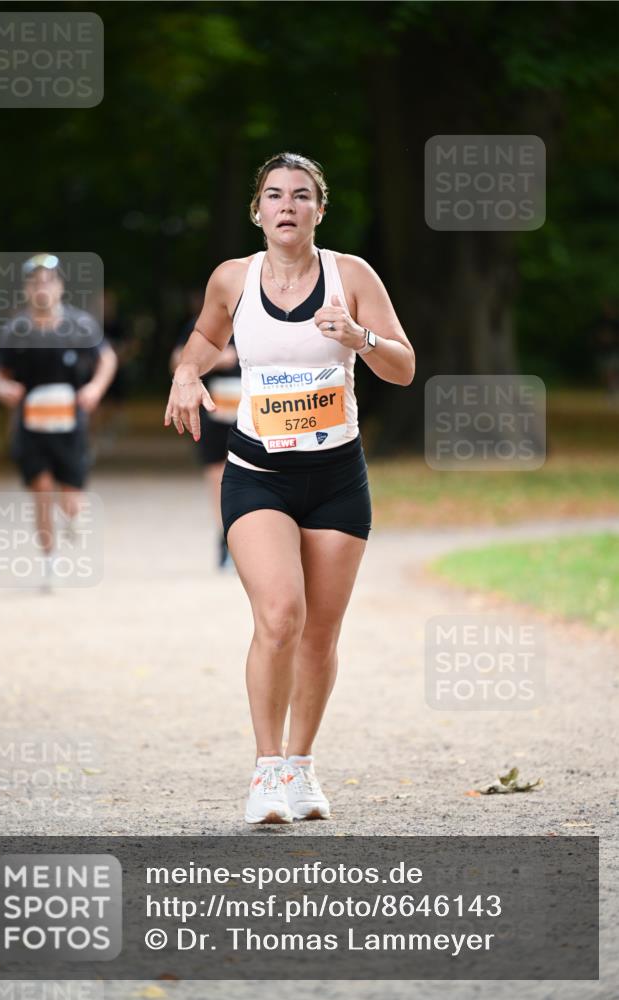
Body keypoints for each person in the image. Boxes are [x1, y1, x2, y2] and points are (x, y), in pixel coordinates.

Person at [164, 153, 415, 824]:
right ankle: (265, 768)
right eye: (274, 195)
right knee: (279, 616)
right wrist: (187, 373)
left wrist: (358, 337)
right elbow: (202, 340)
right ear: (257, 211)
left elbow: (403, 366)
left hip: (336, 478)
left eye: (300, 196)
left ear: (318, 211)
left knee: (319, 633)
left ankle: (300, 767)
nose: (286, 205)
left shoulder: (351, 276)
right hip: (257, 474)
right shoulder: (232, 279)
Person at [0, 253, 118, 589]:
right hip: (30, 427)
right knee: (42, 490)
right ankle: (50, 560)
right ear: (26, 290)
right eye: (35, 283)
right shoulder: (16, 330)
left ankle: (72, 515)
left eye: (48, 281)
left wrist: (95, 388)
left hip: (70, 426)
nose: (42, 288)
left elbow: (107, 359)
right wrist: (5, 389)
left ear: (60, 287)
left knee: (71, 500)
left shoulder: (80, 326)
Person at [170, 289, 241, 570]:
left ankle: (249, 539)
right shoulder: (204, 322)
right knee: (217, 474)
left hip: (258, 413)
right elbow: (176, 361)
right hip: (215, 410)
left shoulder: (266, 317)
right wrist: (217, 359)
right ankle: (224, 535)